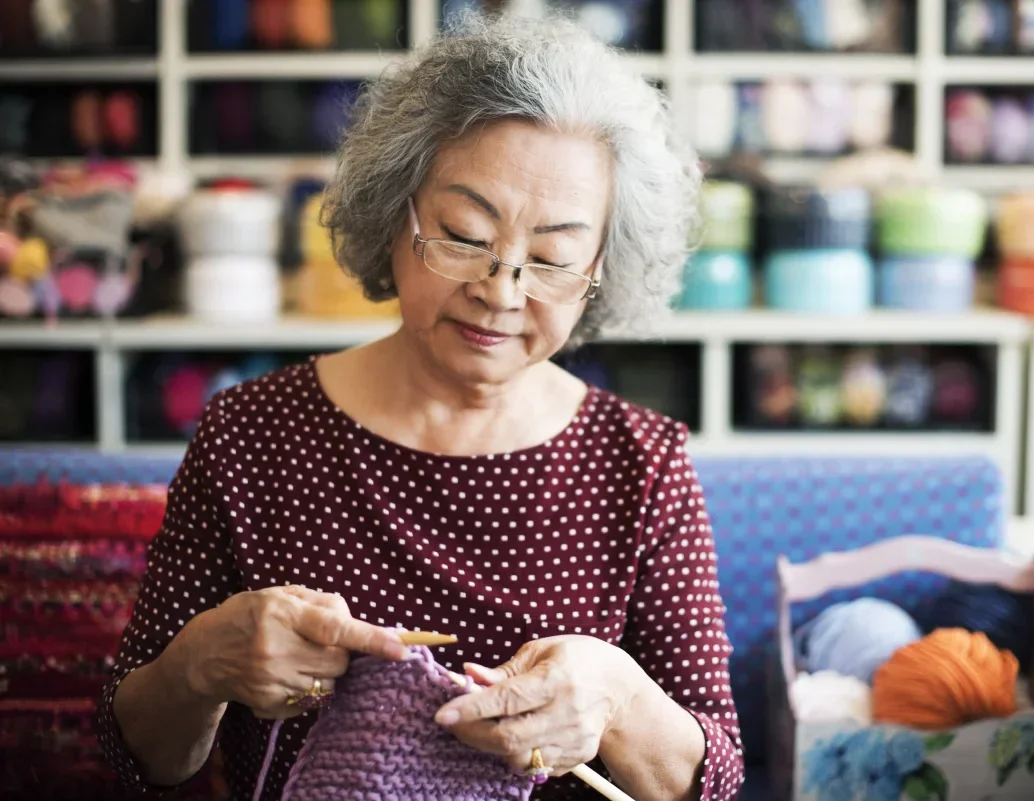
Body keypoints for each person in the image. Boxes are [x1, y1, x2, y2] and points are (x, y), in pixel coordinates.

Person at [96, 11, 744, 801]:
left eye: (551, 260)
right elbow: (140, 755)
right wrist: (201, 663)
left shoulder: (641, 464)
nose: (501, 292)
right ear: (394, 214)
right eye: (465, 236)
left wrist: (619, 699)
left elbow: (713, 779)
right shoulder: (251, 435)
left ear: (603, 267)